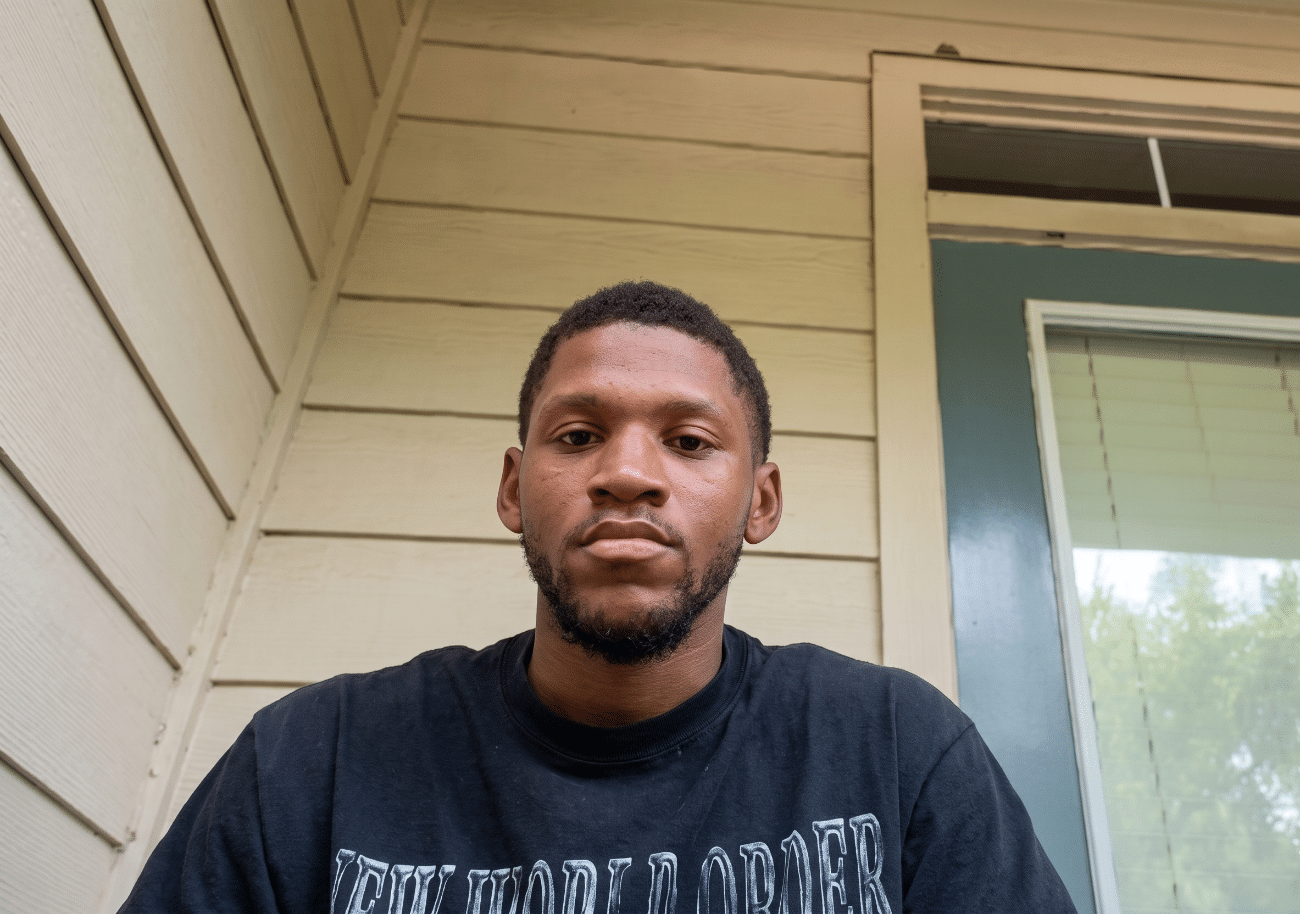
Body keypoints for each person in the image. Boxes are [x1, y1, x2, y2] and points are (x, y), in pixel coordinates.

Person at [119, 281, 1077, 913]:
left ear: (762, 501)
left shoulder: (897, 751)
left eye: (689, 442)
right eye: (578, 436)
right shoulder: (311, 762)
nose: (627, 474)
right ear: (513, 488)